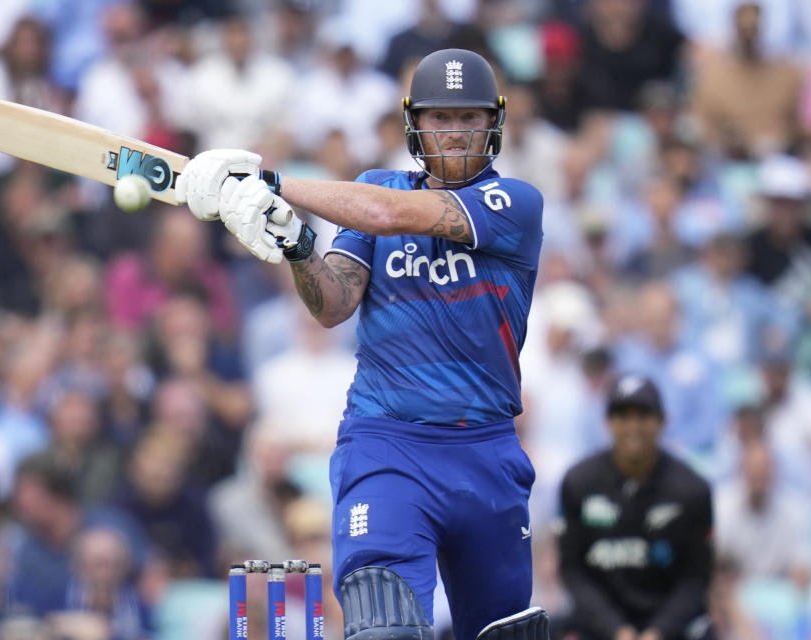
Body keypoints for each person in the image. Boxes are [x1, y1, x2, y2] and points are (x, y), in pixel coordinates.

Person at [175, 48, 548, 640]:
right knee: (385, 630)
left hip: (487, 450)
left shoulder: (515, 204)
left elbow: (387, 213)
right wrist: (297, 244)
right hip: (388, 444)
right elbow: (334, 304)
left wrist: (273, 182)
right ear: (414, 125)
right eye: (439, 119)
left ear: (494, 124)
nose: (454, 133)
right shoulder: (375, 187)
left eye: (469, 119)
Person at [556, 374, 715, 640]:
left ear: (663, 421)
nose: (633, 426)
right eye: (623, 416)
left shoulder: (693, 490)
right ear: (607, 422)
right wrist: (617, 631)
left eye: (643, 416)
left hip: (672, 630)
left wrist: (657, 633)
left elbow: (696, 579)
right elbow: (573, 572)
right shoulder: (578, 483)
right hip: (600, 628)